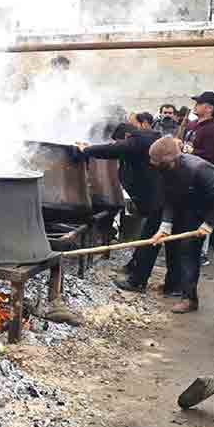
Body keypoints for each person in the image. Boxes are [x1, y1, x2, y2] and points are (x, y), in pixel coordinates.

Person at [149, 137, 214, 313]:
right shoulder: (165, 171)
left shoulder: (199, 169)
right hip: (194, 210)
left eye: (159, 164)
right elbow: (169, 198)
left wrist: (209, 224)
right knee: (187, 251)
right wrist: (165, 226)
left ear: (171, 161)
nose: (156, 167)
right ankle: (189, 298)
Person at [78, 112, 164, 292]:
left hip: (160, 200)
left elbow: (111, 150)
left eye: (119, 142)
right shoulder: (145, 140)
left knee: (151, 241)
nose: (119, 145)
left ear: (125, 138)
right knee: (149, 237)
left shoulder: (137, 141)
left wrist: (86, 150)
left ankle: (138, 282)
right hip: (156, 198)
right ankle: (135, 267)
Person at [184, 91, 214, 170]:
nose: (195, 106)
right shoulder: (191, 124)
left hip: (201, 174)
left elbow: (212, 156)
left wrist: (190, 151)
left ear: (209, 108)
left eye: (199, 103)